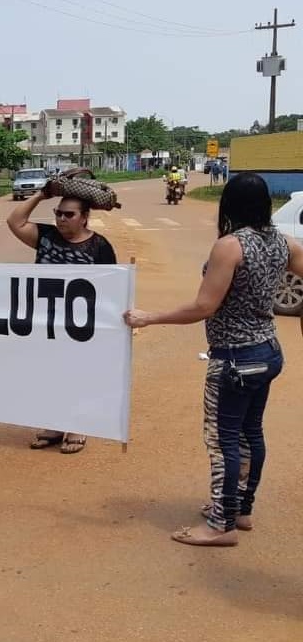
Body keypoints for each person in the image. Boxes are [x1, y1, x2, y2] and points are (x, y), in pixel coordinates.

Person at [124, 173, 303, 546]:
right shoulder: (284, 243)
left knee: (223, 441)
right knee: (250, 434)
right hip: (267, 351)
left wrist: (150, 317)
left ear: (229, 205)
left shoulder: (230, 246)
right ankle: (241, 510)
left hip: (234, 358)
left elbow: (205, 306)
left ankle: (220, 523)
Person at [6, 173, 117, 454]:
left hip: (81, 326)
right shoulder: (45, 237)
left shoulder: (100, 247)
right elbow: (14, 222)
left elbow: (112, 289)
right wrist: (42, 195)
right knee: (48, 375)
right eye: (58, 213)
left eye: (69, 214)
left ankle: (78, 426)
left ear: (84, 218)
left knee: (79, 375)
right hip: (44, 322)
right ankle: (55, 425)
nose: (62, 219)